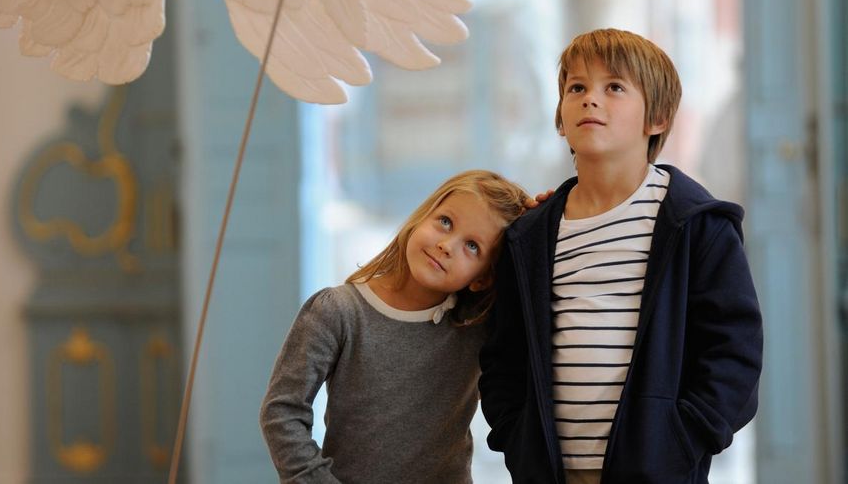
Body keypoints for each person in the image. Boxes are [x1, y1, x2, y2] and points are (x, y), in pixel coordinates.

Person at [478, 28, 763, 484]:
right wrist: (519, 442)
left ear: (658, 119)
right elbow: (503, 361)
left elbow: (733, 357)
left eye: (614, 87)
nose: (591, 99)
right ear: (560, 117)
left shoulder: (697, 225)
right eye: (577, 87)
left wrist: (677, 444)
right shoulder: (528, 237)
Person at [260, 169, 531, 484]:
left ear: (484, 277)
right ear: (421, 216)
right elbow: (282, 414)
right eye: (445, 222)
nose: (447, 245)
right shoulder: (336, 312)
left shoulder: (481, 329)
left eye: (472, 246)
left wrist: (544, 223)